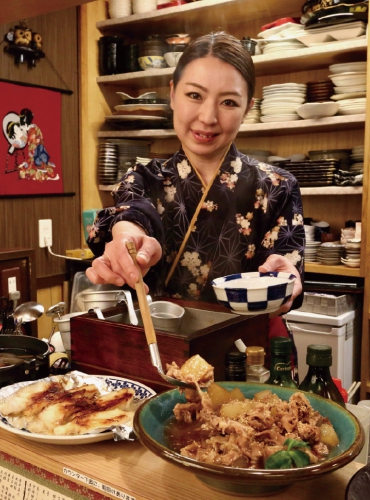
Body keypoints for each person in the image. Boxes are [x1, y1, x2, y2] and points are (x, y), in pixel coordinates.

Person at [86, 32, 304, 315]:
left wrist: (285, 283)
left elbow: (287, 277)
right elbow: (131, 214)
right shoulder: (142, 177)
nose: (208, 117)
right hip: (163, 345)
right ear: (173, 94)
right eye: (194, 95)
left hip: (250, 349)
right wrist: (130, 239)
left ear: (248, 109)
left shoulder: (278, 187)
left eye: (229, 102)